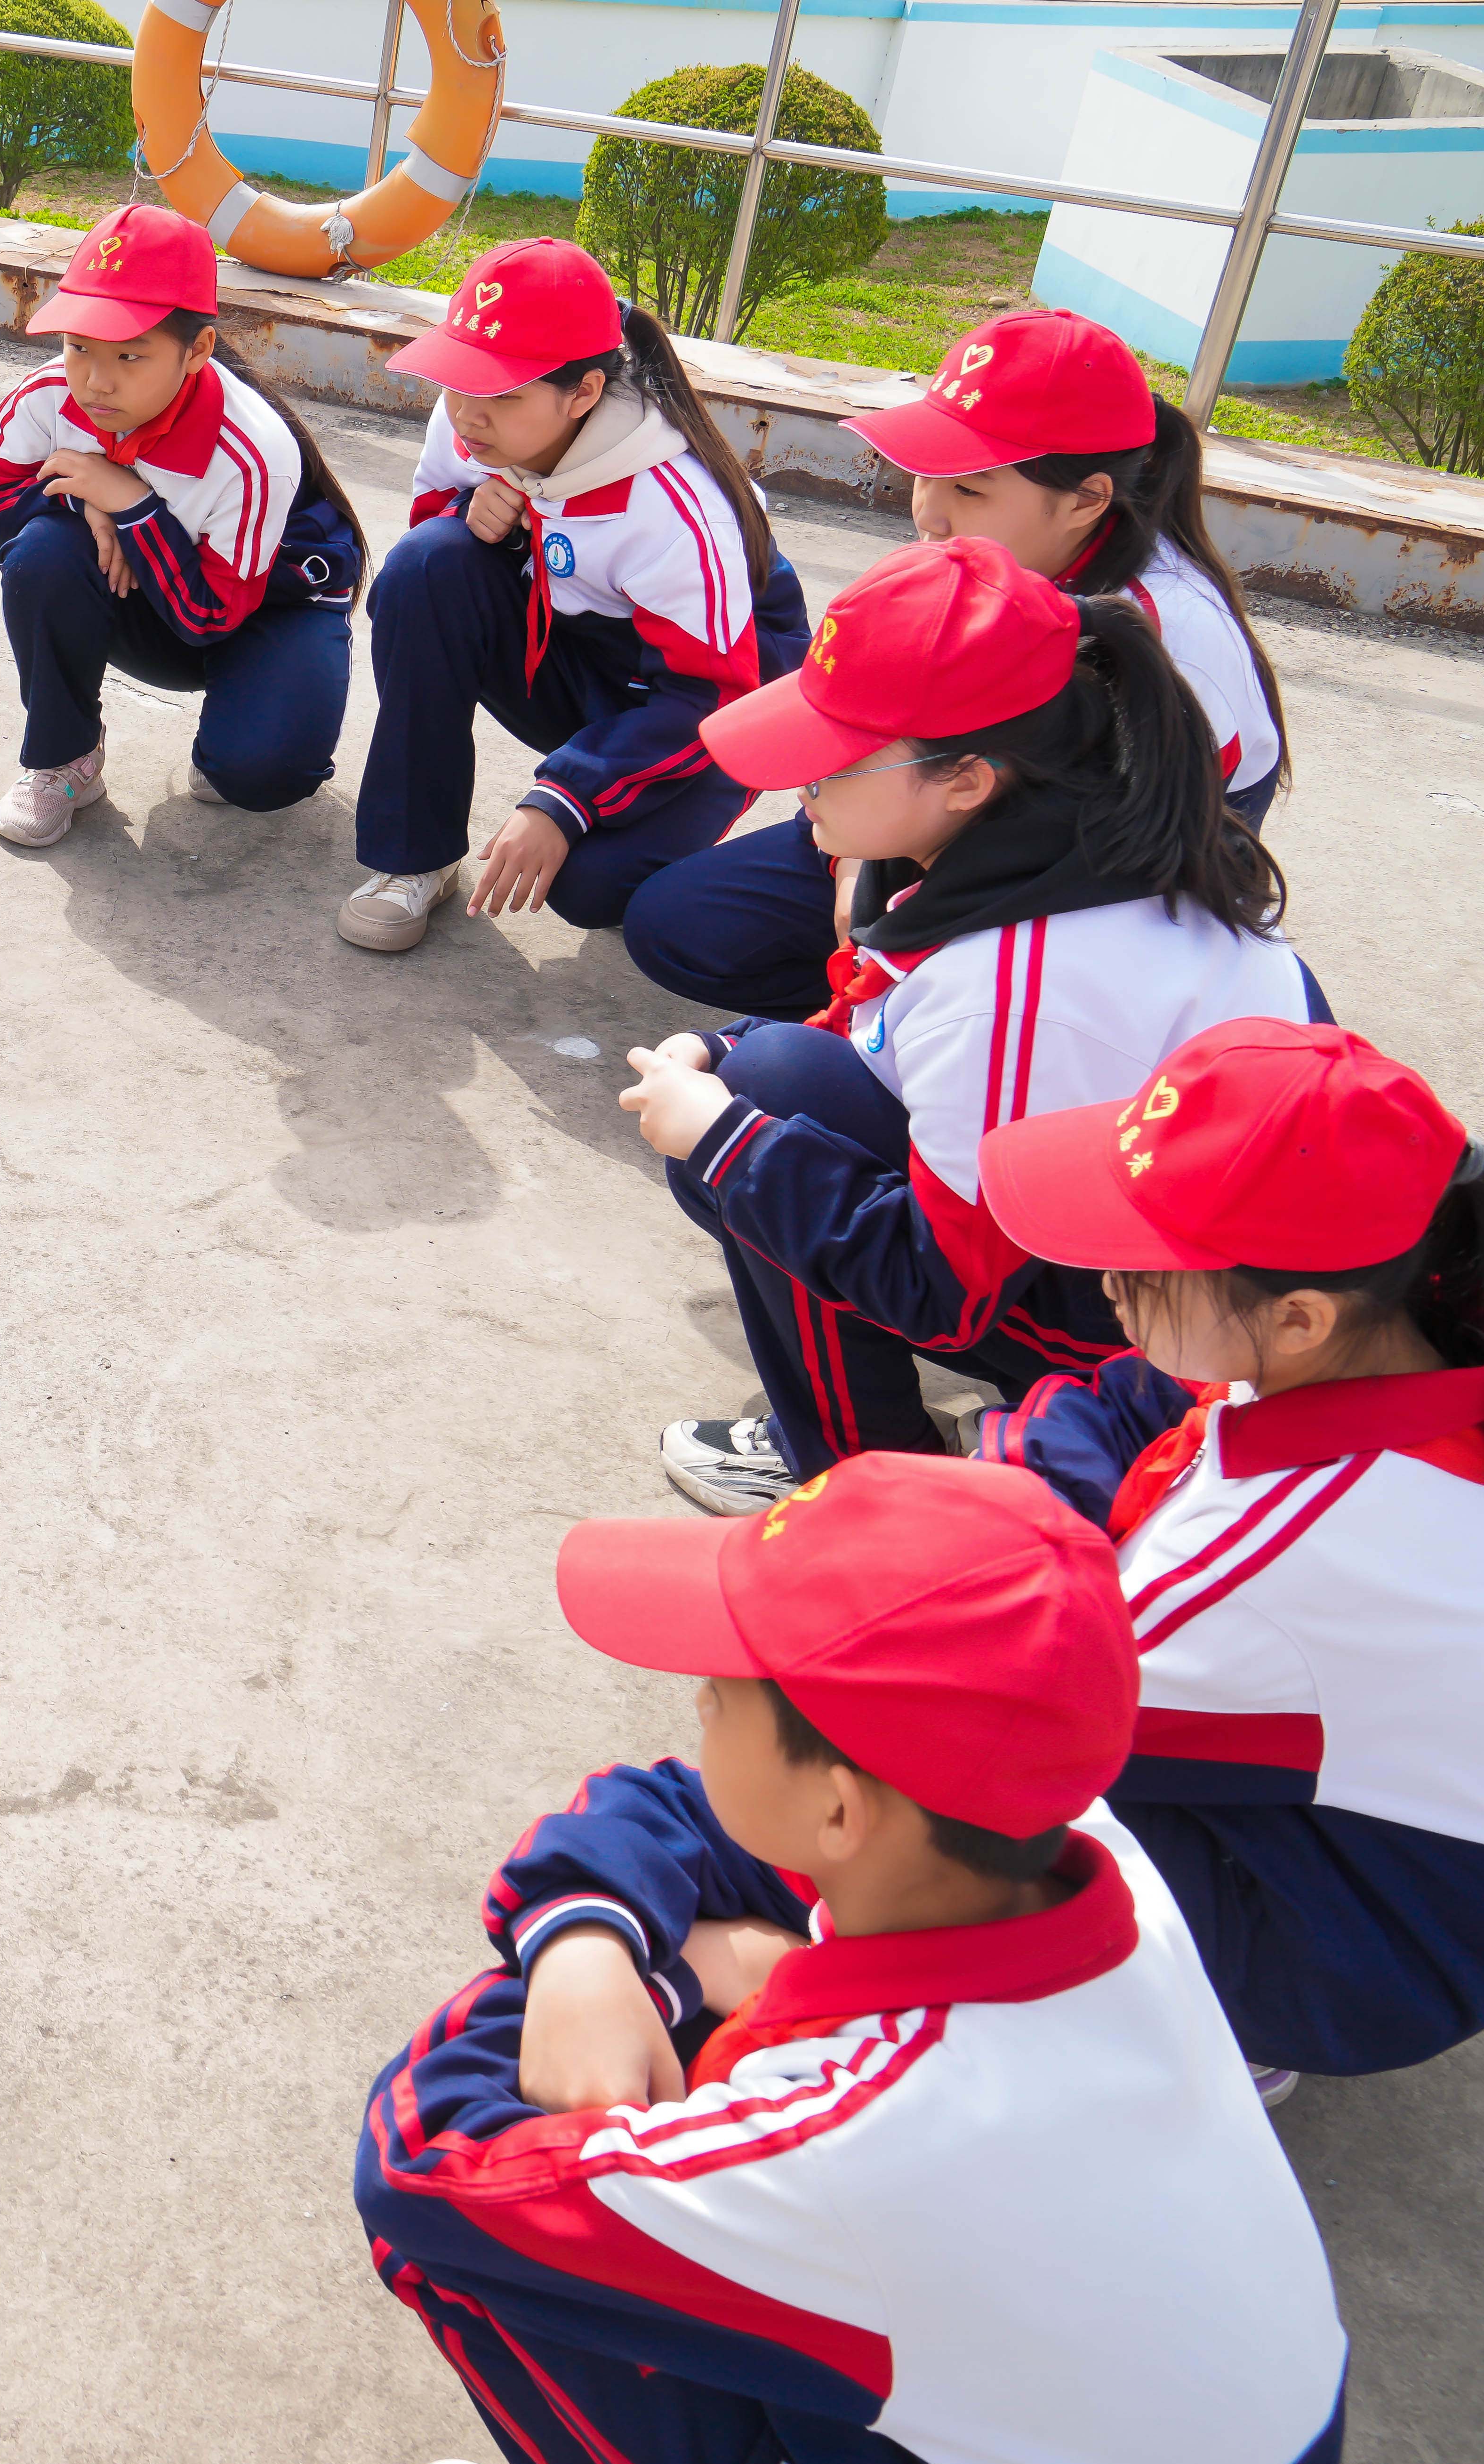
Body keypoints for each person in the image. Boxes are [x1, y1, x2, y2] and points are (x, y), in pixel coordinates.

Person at [354, 1452, 1350, 2464]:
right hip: (1207, 2433)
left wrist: (665, 1972)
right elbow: (675, 1808)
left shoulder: (870, 2142)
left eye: (724, 1689)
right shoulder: (1055, 1834)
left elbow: (421, 2166)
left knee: (481, 2249)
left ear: (839, 1808)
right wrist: (585, 1941)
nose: (697, 1697)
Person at [621, 535, 1314, 1517]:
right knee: (765, 1085)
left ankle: (870, 1491)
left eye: (832, 762)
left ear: (968, 779)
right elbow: (872, 1033)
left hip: (1178, 1351)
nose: (800, 786)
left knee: (757, 1134)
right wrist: (726, 1059)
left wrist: (726, 1135)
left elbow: (937, 1287)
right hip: (1181, 1279)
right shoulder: (1057, 839)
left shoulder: (1018, 980)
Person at [968, 1020, 1484, 2091]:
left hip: (1367, 1950)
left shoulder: (1295, 1549)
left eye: (1144, 1263)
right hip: (1449, 1854)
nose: (1102, 1279)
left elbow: (1011, 1727)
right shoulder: (1423, 1334)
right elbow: (1137, 1401)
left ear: (1302, 1315)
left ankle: (1214, 2027)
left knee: (953, 1791)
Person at [625, 307, 1290, 1021]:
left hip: (1098, 843)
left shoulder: (1174, 635)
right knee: (675, 924)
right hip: (934, 785)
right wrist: (862, 862)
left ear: (1088, 499)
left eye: (969, 489)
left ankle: (922, 1043)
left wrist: (904, 902)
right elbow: (856, 715)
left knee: (924, 988)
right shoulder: (967, 555)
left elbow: (1126, 844)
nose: (930, 516)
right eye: (924, 475)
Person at [340, 237, 810, 953]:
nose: (467, 416)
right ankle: (415, 857)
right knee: (426, 566)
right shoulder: (471, 421)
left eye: (499, 393)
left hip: (704, 705)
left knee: (593, 887)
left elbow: (711, 696)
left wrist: (561, 802)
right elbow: (433, 522)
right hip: (574, 643)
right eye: (457, 380)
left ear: (584, 393)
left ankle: (665, 817)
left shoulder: (675, 504)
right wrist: (468, 517)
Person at [0, 202, 365, 848]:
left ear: (198, 349)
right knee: (41, 554)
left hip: (264, 607)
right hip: (158, 592)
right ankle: (66, 756)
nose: (94, 381)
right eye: (78, 346)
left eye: (130, 357)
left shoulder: (252, 452)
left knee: (259, 774)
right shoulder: (47, 396)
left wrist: (134, 506)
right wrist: (82, 500)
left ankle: (245, 722)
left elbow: (209, 619)